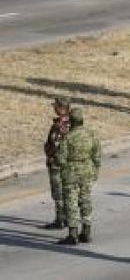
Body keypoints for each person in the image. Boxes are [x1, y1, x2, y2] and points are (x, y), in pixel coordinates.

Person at [56, 108, 101, 245]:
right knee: (86, 200)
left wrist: (64, 170)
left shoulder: (68, 137)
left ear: (72, 121)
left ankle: (73, 235)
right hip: (87, 171)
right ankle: (86, 232)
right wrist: (95, 172)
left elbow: (61, 158)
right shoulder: (91, 135)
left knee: (71, 202)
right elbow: (97, 156)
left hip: (71, 173)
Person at [42, 97, 71, 230]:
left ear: (62, 108)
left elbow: (55, 144)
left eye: (56, 106)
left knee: (58, 192)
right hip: (66, 163)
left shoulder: (61, 125)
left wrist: (48, 151)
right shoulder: (72, 122)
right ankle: (67, 217)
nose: (54, 108)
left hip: (57, 163)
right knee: (65, 191)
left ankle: (60, 220)